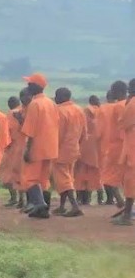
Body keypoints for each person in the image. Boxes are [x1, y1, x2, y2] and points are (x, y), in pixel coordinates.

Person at [21, 73, 60, 219]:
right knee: (43, 179)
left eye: (29, 84)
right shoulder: (51, 103)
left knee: (30, 178)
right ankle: (43, 211)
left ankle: (40, 204)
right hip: (50, 146)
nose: (27, 86)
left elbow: (30, 131)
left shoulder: (34, 104)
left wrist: (27, 149)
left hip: (37, 146)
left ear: (34, 86)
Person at [52, 87, 87, 217]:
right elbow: (84, 132)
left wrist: (53, 147)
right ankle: (62, 206)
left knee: (64, 180)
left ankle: (75, 206)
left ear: (61, 97)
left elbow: (58, 134)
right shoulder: (79, 109)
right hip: (74, 149)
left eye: (56, 96)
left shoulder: (60, 111)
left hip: (61, 150)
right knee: (67, 178)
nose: (55, 99)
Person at [101, 81, 128, 210]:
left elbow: (121, 126)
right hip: (125, 144)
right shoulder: (128, 104)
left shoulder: (118, 106)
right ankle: (124, 202)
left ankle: (120, 200)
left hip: (117, 145)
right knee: (124, 175)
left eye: (113, 91)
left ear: (118, 92)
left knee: (108, 175)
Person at [74, 95, 103, 206]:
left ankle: (80, 199)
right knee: (94, 175)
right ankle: (94, 199)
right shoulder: (100, 113)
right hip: (96, 148)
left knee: (80, 174)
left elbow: (79, 129)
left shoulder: (84, 112)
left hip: (83, 146)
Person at [115, 78, 135, 226]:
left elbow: (123, 123)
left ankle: (127, 215)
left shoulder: (132, 103)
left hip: (132, 149)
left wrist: (128, 101)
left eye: (130, 87)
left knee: (130, 182)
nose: (128, 90)